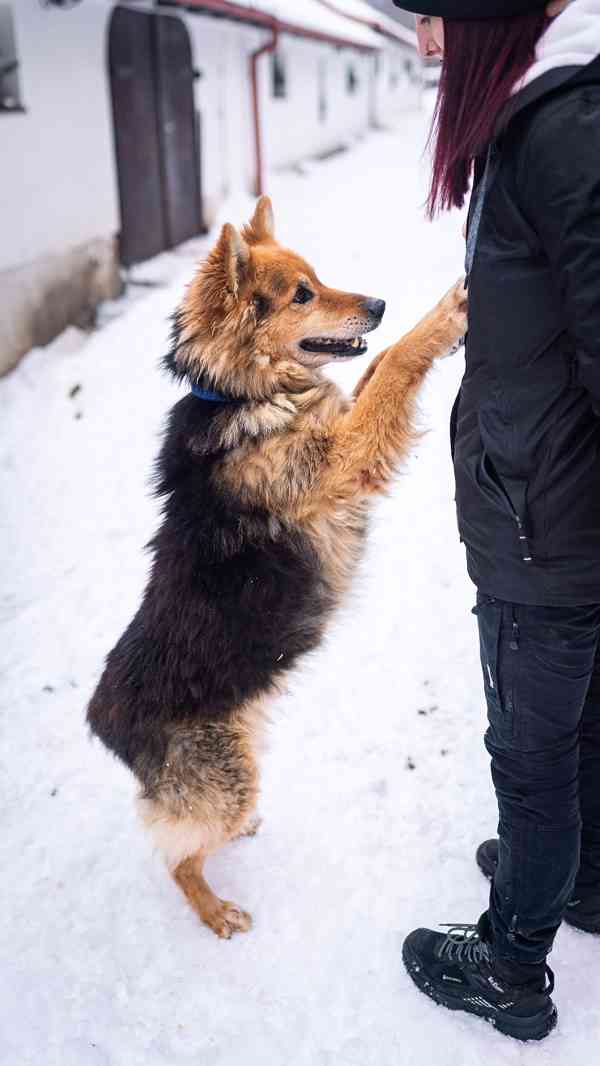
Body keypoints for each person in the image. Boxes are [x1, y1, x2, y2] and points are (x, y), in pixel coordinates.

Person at [392, 0, 600, 1042]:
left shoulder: (565, 129)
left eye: (432, 15)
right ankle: (585, 876)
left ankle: (514, 962)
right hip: (552, 504)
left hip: (548, 526)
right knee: (576, 719)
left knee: (530, 749)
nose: (425, 40)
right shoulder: (546, 115)